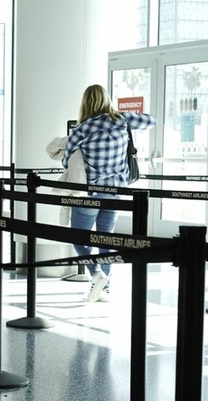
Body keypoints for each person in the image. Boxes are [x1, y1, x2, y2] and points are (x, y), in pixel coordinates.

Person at [63, 84, 157, 303]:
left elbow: (66, 161)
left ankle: (96, 274)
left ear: (85, 103)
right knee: (106, 238)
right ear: (107, 100)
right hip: (115, 192)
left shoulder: (82, 128)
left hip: (90, 193)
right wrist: (123, 115)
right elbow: (152, 121)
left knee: (77, 236)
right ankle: (105, 288)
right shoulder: (122, 120)